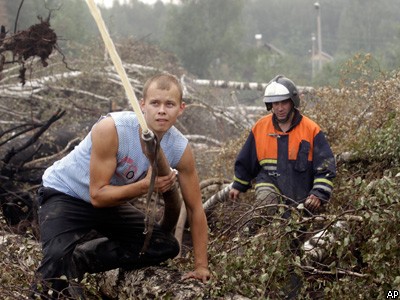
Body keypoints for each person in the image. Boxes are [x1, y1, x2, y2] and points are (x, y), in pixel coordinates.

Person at [33, 73, 210, 298]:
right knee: (55, 261)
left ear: (181, 108)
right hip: (66, 194)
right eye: (155, 103)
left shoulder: (180, 148)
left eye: (169, 104)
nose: (162, 110)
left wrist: (201, 266)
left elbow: (195, 209)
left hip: (110, 201)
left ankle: (79, 260)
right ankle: (59, 269)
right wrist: (146, 186)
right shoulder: (112, 128)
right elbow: (97, 195)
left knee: (164, 245)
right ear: (142, 105)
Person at [229, 75, 336, 217]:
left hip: (301, 197)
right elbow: (247, 159)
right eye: (275, 104)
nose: (280, 108)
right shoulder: (261, 127)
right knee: (264, 204)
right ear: (270, 105)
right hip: (268, 184)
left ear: (292, 102)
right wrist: (238, 185)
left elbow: (326, 165)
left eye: (284, 103)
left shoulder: (311, 130)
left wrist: (318, 193)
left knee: (297, 235)